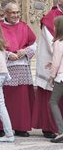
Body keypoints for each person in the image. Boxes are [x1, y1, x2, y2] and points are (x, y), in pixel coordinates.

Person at [0, 2, 36, 137]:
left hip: (21, 66)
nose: (16, 15)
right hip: (5, 66)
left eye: (17, 13)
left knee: (21, 99)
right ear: (5, 13)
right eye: (12, 12)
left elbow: (34, 43)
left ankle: (21, 127)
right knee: (5, 97)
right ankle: (2, 126)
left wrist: (25, 51)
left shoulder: (24, 26)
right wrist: (8, 54)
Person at [32, 0, 63, 138]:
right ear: (60, 0)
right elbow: (54, 45)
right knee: (52, 98)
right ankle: (50, 127)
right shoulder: (52, 17)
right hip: (53, 63)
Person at [47, 15, 63, 143]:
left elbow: (57, 62)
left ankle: (62, 131)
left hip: (62, 76)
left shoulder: (58, 42)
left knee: (53, 102)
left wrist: (52, 77)